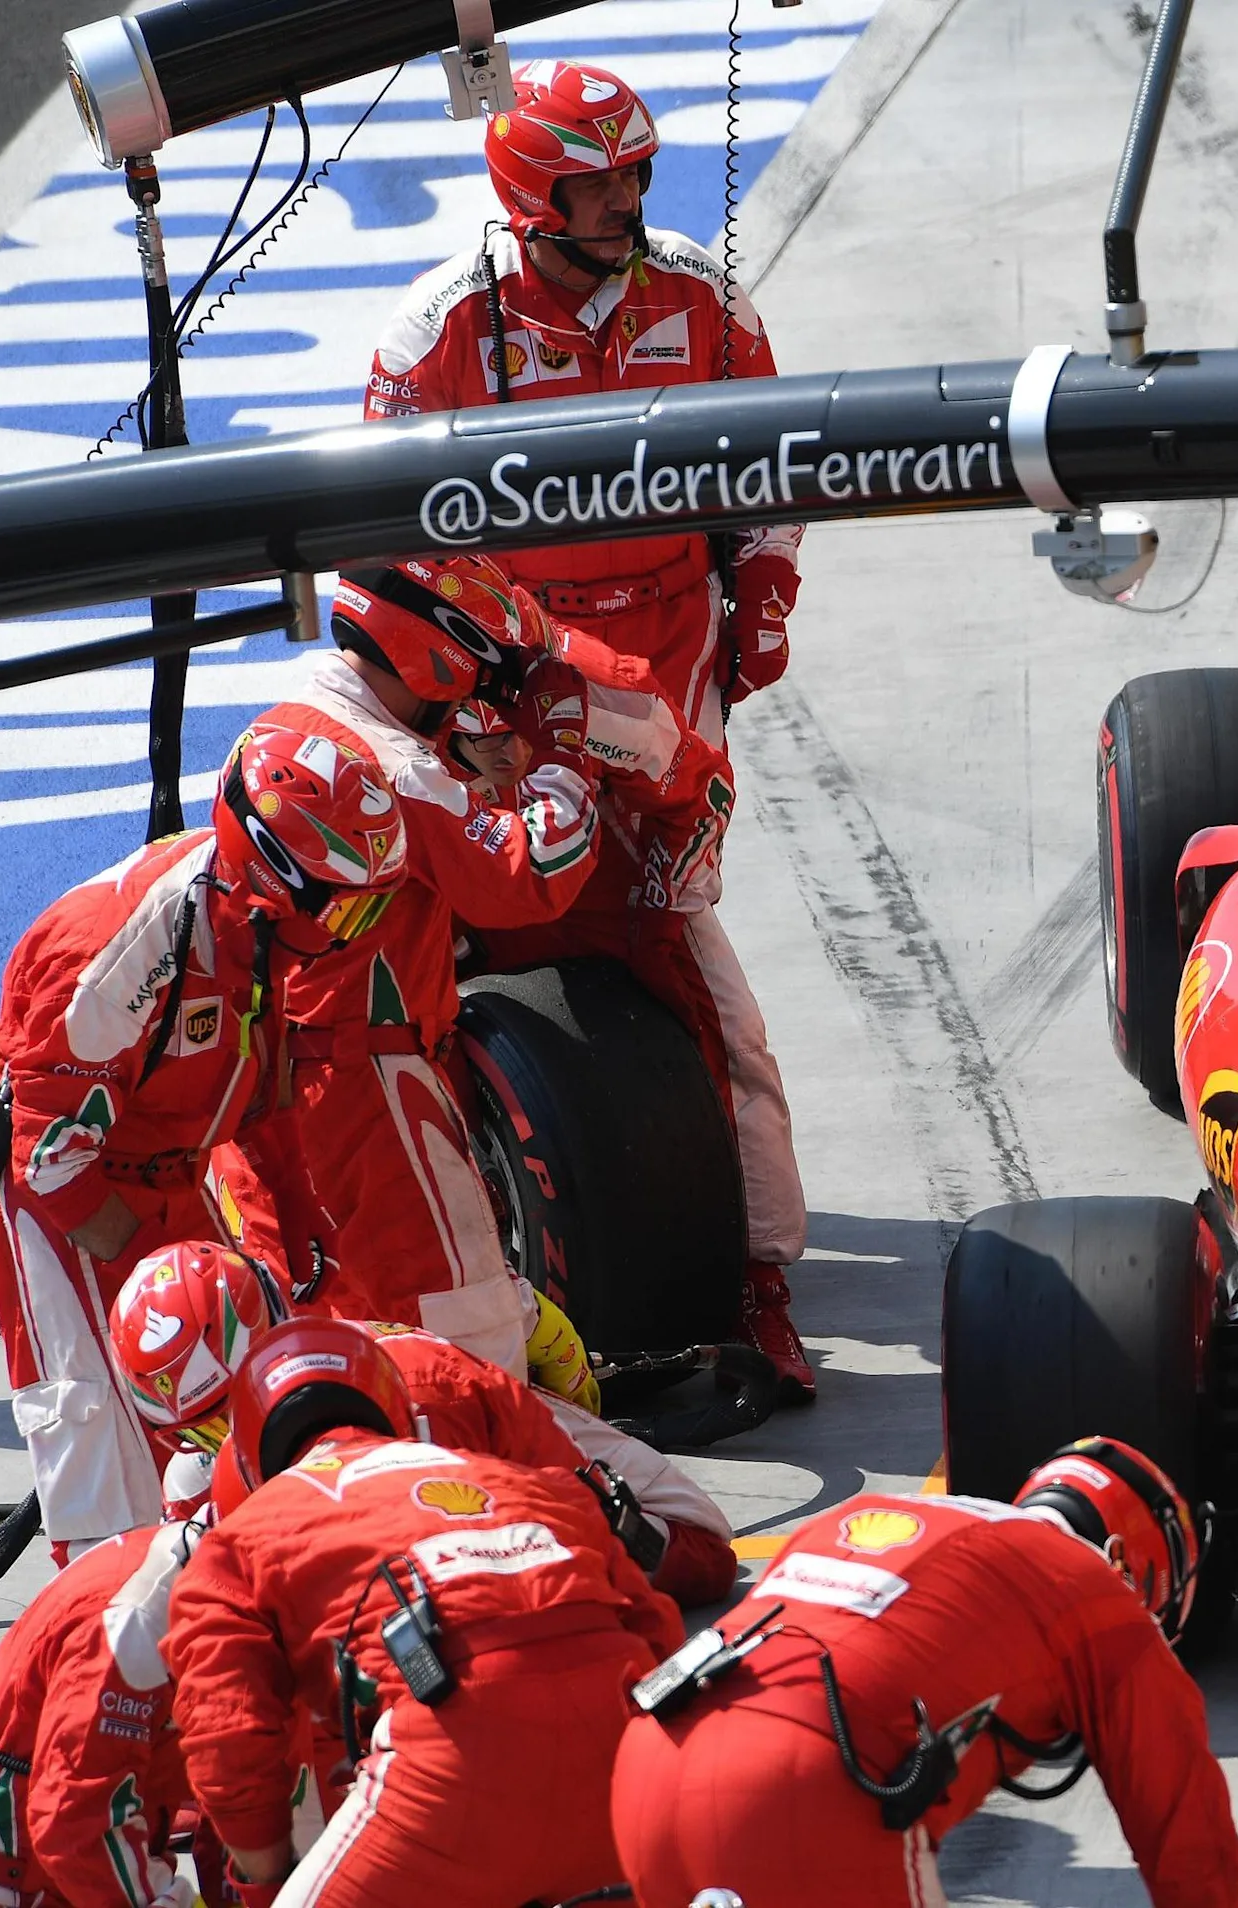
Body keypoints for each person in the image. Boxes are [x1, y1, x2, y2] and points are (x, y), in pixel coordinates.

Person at [364, 57, 817, 1398]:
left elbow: (780, 460)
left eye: (635, 169)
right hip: (502, 699)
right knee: (420, 990)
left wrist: (768, 590)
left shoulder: (698, 291)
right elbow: (380, 551)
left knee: (707, 997)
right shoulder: (437, 328)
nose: (627, 195)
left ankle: (764, 1276)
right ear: (532, 188)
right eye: (597, 176)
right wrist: (481, 695)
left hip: (667, 699)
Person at [237, 554, 705, 1371]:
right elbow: (535, 874)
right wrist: (559, 748)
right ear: (437, 652)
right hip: (363, 1085)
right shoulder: (392, 764)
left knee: (314, 1329)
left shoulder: (283, 724)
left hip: (271, 1075)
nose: (480, 698)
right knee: (463, 1334)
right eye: (479, 673)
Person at [0, 729, 404, 1550]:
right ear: (275, 875)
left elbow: (262, 1097)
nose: (359, 928)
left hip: (168, 1177)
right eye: (350, 905)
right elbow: (52, 1164)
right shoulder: (116, 953)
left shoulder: (259, 923)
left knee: (240, 1420)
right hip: (67, 1206)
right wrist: (162, 1297)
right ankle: (108, 1638)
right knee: (105, 1458)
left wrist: (302, 1225)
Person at [164, 1316, 681, 1907]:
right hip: (627, 1744)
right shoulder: (531, 1483)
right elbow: (656, 1629)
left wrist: (267, 1885)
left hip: (447, 1754)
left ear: (250, 1463)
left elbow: (228, 1741)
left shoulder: (238, 1542)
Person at [610, 1438, 1238, 1906]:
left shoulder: (849, 1521)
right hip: (807, 1791)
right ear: (1126, 1559)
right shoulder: (1097, 1593)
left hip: (646, 1767)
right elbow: (1192, 1849)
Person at [106, 1245, 738, 1606]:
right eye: (210, 1425)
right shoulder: (200, 1483)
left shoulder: (436, 1392)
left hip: (502, 1502)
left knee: (694, 1550)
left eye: (241, 1395)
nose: (238, 1427)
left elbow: (697, 1550)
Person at [0, 1518, 207, 1906]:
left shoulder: (204, 1565)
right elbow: (75, 1822)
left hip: (99, 1854)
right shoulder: (139, 1617)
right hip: (21, 1874)